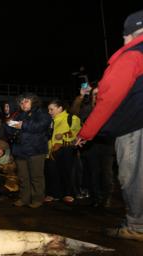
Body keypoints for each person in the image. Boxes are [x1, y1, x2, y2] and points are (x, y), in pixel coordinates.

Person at [76, 9, 143, 241]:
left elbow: (109, 99)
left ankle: (137, 225)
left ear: (131, 33)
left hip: (133, 127)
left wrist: (86, 132)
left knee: (133, 176)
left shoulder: (133, 55)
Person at [6, 93, 51, 208]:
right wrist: (11, 125)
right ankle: (24, 199)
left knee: (36, 177)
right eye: (21, 102)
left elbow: (41, 126)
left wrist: (22, 125)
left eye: (26, 101)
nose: (23, 104)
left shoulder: (42, 113)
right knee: (22, 177)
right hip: (20, 151)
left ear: (33, 101)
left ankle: (37, 200)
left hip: (35, 150)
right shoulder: (18, 115)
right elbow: (8, 128)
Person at [44, 100, 81, 203]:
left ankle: (67, 193)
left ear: (60, 108)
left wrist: (63, 135)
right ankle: (52, 193)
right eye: (48, 109)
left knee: (66, 171)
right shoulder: (50, 121)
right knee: (51, 172)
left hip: (66, 149)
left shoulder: (72, 118)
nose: (49, 112)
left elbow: (77, 132)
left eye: (52, 109)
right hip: (52, 150)